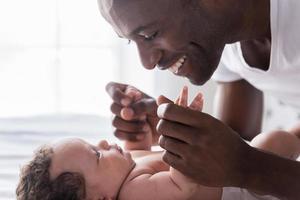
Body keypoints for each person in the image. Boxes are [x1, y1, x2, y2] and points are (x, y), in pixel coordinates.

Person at [97, 0, 300, 199]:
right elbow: (234, 148)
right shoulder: (223, 40)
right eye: (131, 40)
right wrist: (176, 135)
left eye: (150, 35)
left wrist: (246, 166)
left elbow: (242, 163)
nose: (147, 62)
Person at [16, 88, 300, 200]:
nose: (104, 142)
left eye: (94, 143)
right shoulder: (134, 193)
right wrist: (183, 127)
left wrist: (138, 136)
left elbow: (145, 150)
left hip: (234, 165)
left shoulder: (125, 170)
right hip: (243, 187)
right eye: (97, 155)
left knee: (273, 142)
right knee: (272, 141)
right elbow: (182, 183)